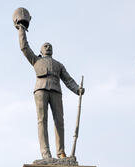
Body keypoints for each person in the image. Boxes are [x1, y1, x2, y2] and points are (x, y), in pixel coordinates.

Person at [16, 24, 85, 159]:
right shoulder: (36, 60)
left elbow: (68, 80)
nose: (48, 47)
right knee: (42, 121)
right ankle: (46, 153)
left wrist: (77, 89)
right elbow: (24, 47)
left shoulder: (59, 65)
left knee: (59, 121)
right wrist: (21, 30)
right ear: (41, 50)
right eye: (45, 45)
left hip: (56, 91)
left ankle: (61, 152)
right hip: (40, 90)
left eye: (50, 46)